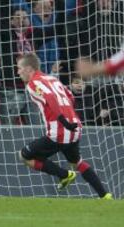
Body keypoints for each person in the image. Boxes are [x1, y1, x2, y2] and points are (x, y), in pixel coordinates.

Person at [17, 53, 112, 199]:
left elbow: (50, 98)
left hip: (60, 131)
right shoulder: (53, 79)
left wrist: (62, 120)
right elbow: (70, 96)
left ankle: (65, 175)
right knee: (76, 162)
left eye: (20, 68)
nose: (18, 72)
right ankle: (105, 195)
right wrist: (69, 118)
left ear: (29, 69)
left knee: (24, 156)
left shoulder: (33, 84)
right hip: (76, 128)